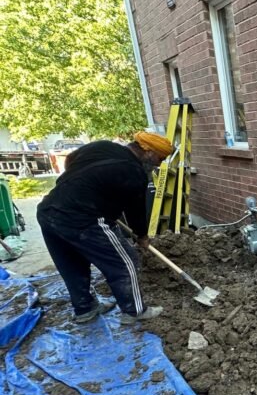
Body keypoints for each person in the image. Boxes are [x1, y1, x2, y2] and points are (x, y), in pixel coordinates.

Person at [37, 132, 173, 325]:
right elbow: (135, 211)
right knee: (125, 262)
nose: (159, 164)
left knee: (72, 265)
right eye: (160, 158)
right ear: (148, 151)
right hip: (84, 219)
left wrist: (87, 187)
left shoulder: (101, 146)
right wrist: (142, 236)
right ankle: (135, 311)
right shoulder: (133, 172)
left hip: (48, 212)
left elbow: (70, 160)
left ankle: (85, 309)